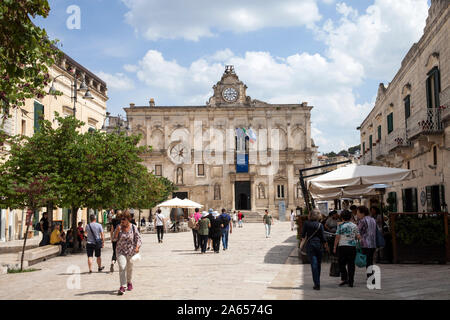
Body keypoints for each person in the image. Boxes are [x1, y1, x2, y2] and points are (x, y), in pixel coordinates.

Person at [113, 210, 142, 295]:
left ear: (128, 219)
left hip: (130, 252)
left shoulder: (133, 227)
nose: (122, 221)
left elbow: (138, 239)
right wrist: (117, 231)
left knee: (129, 269)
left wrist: (137, 247)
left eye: (124, 219)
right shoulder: (118, 227)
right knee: (122, 267)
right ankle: (122, 286)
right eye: (121, 219)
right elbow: (114, 239)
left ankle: (129, 282)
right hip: (120, 251)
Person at [301, 209, 329, 290]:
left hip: (310, 245)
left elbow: (303, 236)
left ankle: (317, 283)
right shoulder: (320, 225)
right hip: (319, 245)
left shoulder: (306, 223)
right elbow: (323, 238)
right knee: (318, 264)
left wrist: (301, 245)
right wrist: (326, 246)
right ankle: (317, 281)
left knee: (314, 264)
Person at [333, 210, 360, 287]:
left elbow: (337, 237)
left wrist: (334, 247)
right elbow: (358, 236)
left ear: (342, 217)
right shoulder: (354, 226)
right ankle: (351, 281)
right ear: (350, 217)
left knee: (341, 264)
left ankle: (344, 278)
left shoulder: (340, 226)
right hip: (352, 247)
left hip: (342, 247)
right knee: (351, 264)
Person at [357, 206, 377, 280]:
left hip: (365, 243)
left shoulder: (362, 220)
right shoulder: (372, 219)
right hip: (373, 243)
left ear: (362, 213)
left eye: (358, 212)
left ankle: (371, 276)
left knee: (368, 260)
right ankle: (370, 275)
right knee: (370, 260)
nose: (357, 214)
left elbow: (357, 230)